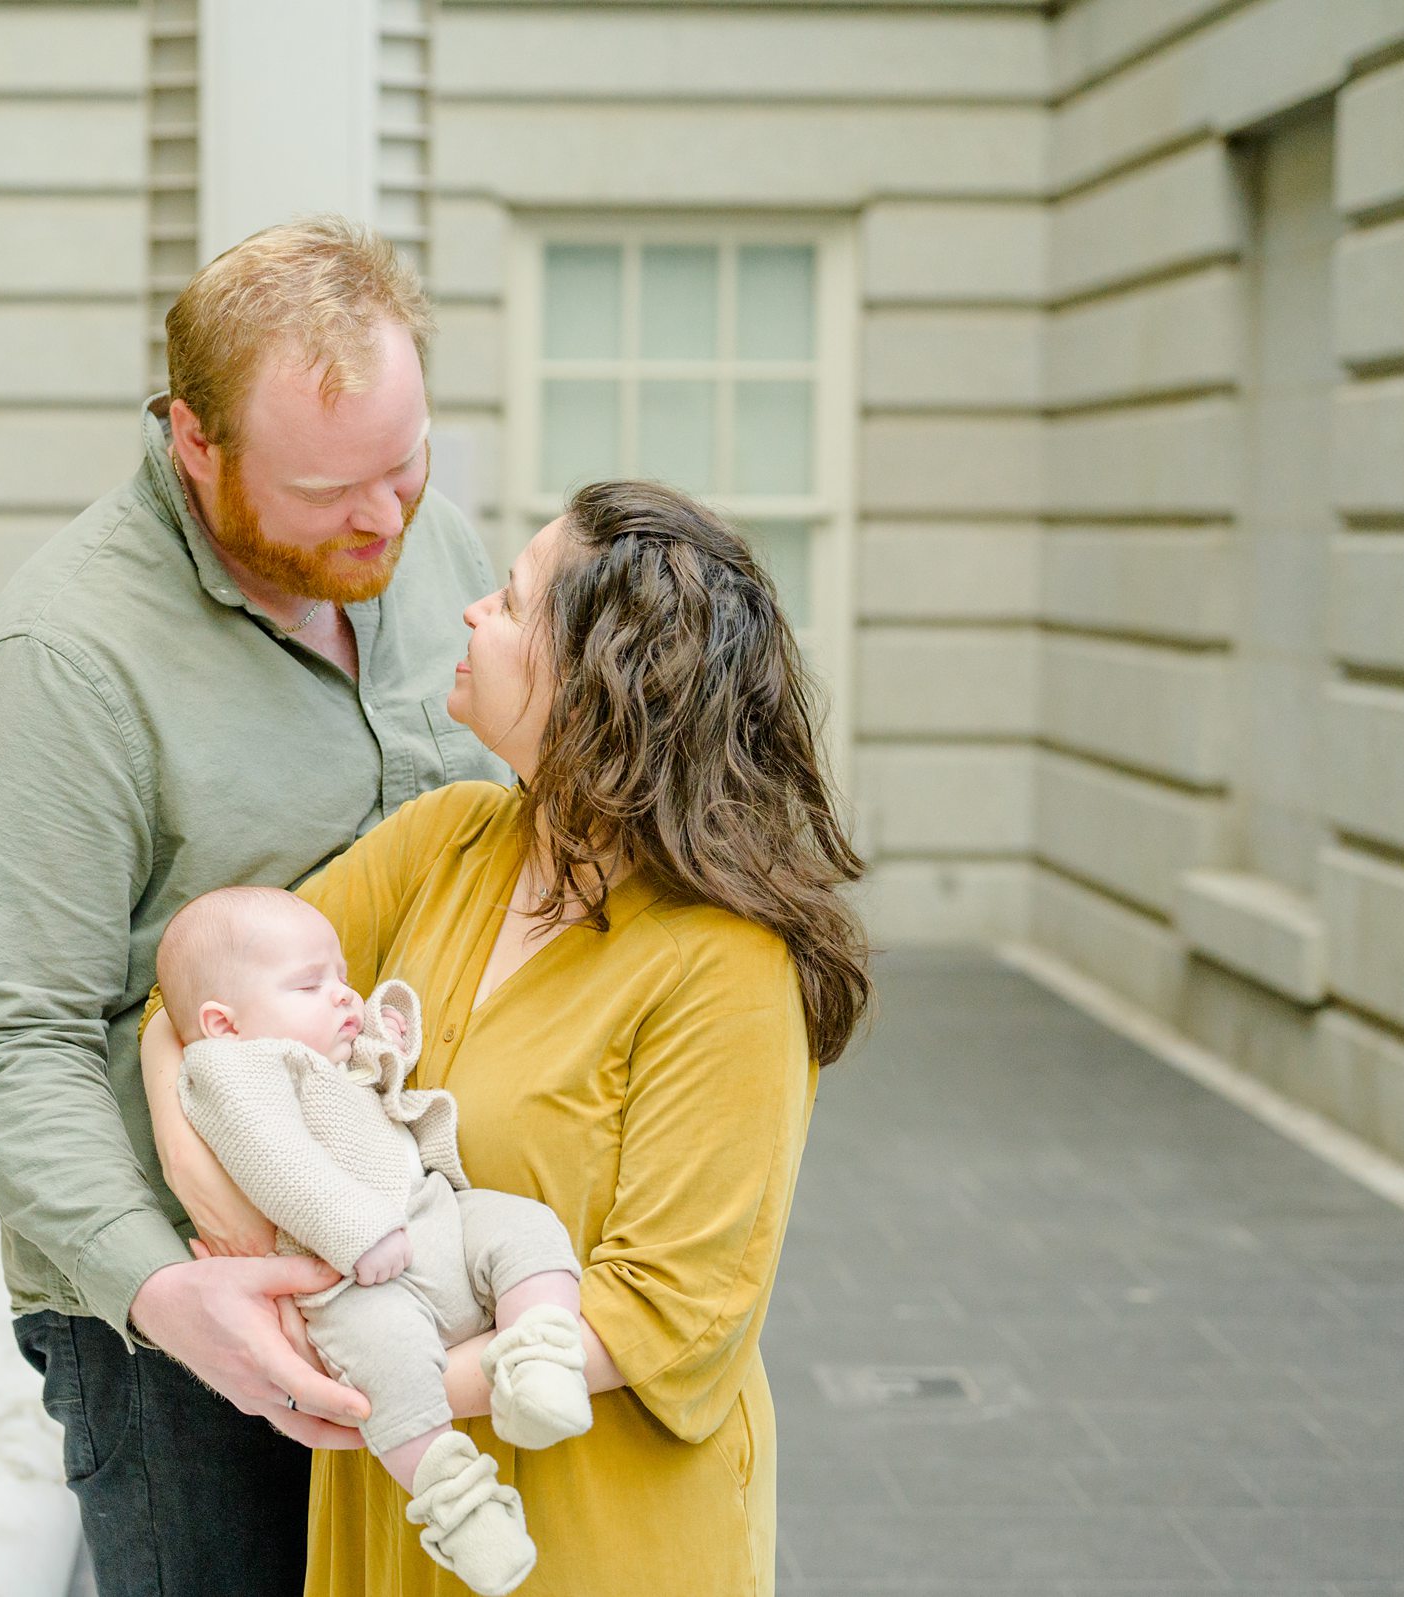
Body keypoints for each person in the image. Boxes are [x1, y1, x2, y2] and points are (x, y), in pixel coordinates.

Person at [143, 479, 872, 1594]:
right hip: (401, 1510)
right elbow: (195, 1004)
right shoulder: (445, 840)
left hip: (593, 1528)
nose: (474, 612)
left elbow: (665, 1310)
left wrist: (360, 1372)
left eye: (515, 600)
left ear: (604, 684)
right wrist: (238, 1215)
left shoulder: (728, 964)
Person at [0, 214, 507, 1597]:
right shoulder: (61, 665)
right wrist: (165, 1290)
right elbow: (8, 1042)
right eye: (328, 491)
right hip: (188, 1327)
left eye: (405, 463)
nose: (384, 519)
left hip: (415, 1251)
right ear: (197, 441)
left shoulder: (442, 544)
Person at [156, 885, 592, 1595]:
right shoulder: (231, 1069)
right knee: (389, 1375)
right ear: (222, 1022)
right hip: (348, 1277)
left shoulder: (316, 1052)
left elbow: (379, 1081)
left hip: (435, 1216)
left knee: (525, 1225)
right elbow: (278, 1161)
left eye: (341, 975)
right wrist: (355, 1233)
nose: (341, 994)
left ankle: (540, 1351)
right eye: (311, 982)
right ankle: (459, 1504)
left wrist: (384, 1032)